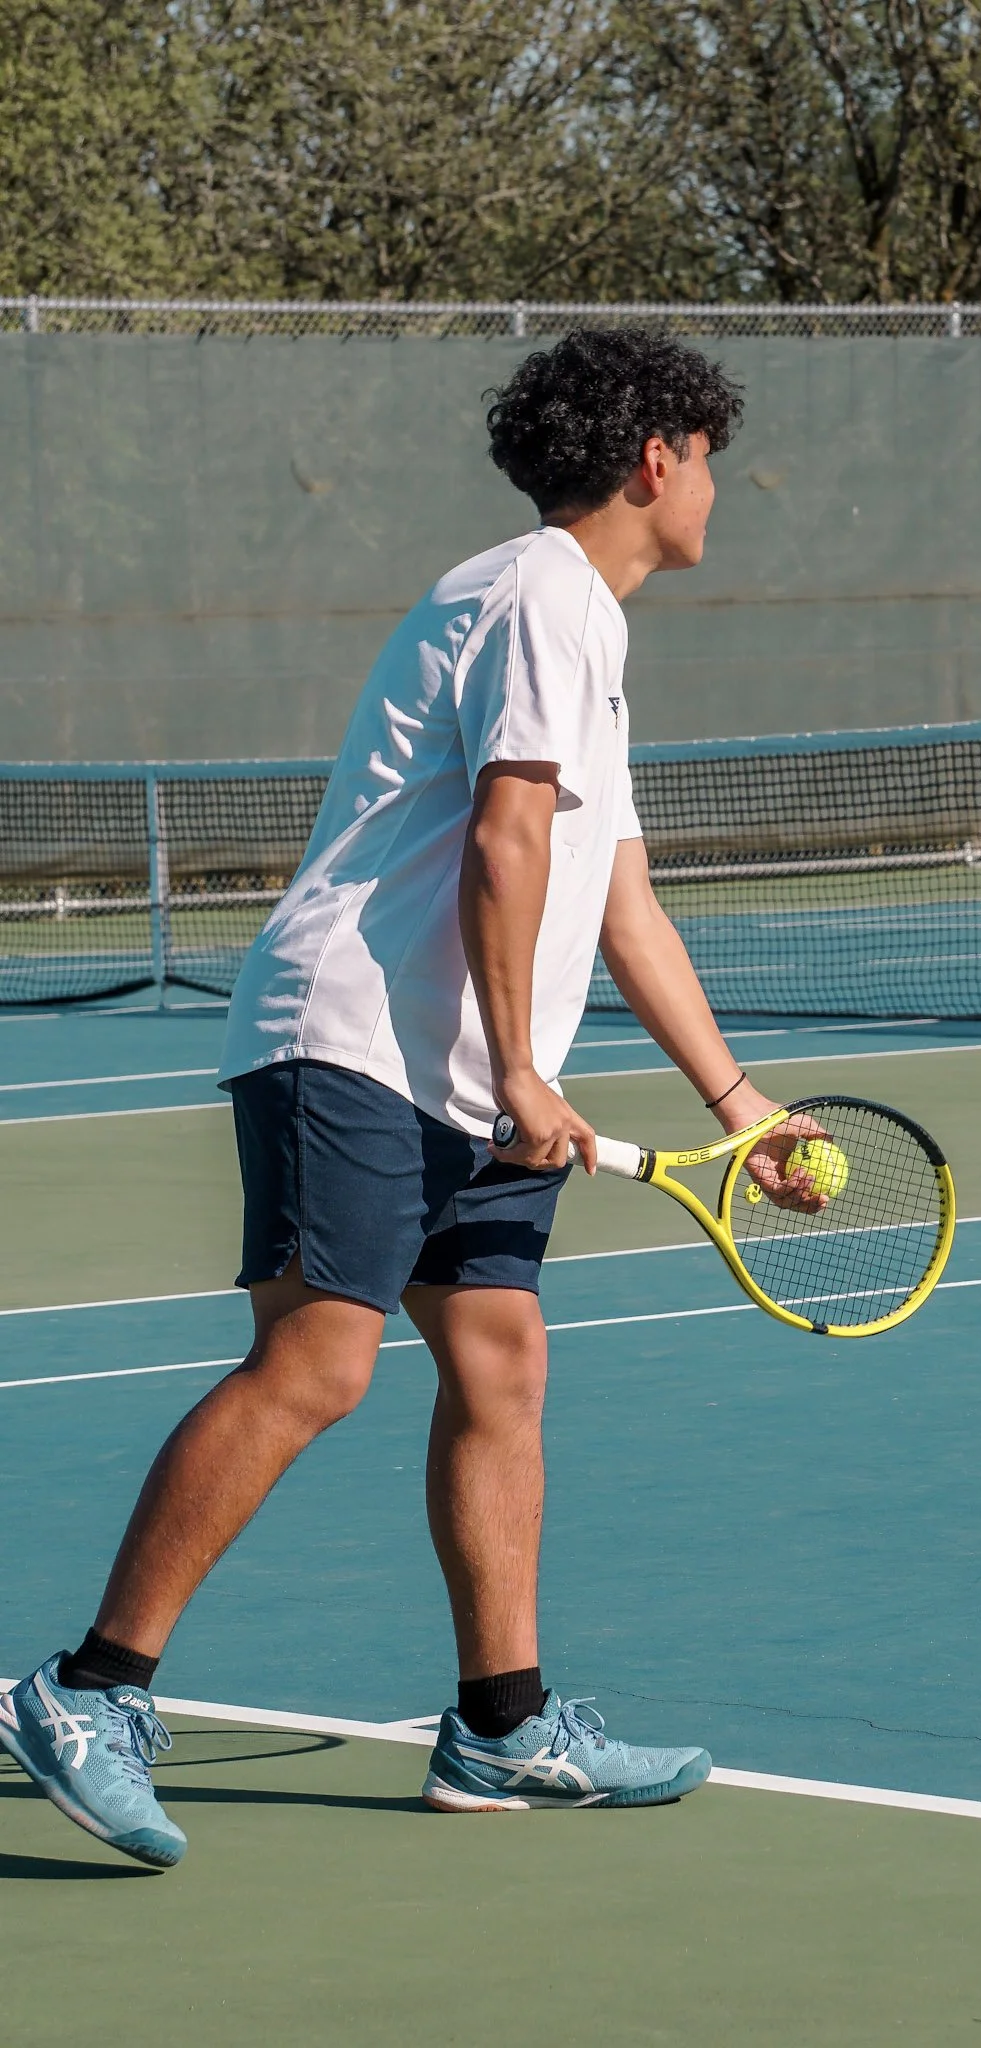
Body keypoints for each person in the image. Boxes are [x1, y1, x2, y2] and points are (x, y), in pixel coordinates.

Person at [0, 326, 815, 1867]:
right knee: (319, 1367)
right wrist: (521, 1067)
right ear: (657, 460)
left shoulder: (582, 628)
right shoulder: (543, 599)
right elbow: (504, 841)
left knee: (500, 1365)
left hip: (463, 1068)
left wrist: (741, 1109)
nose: (715, 486)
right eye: (706, 458)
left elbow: (617, 895)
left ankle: (500, 1730)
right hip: (361, 1041)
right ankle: (87, 1690)